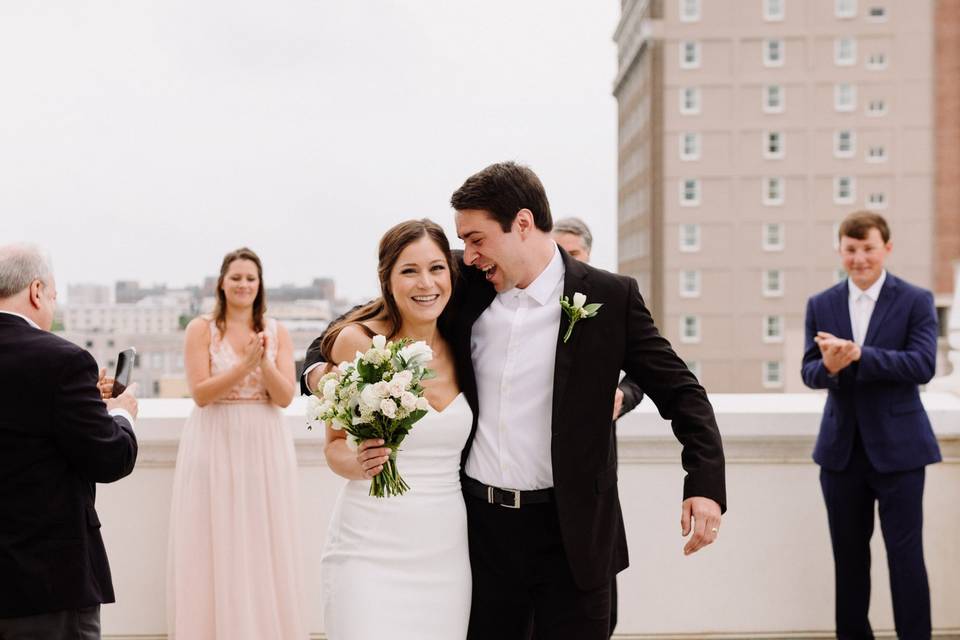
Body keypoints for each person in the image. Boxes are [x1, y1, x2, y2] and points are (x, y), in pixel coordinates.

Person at [449, 161, 726, 639]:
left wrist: (704, 483)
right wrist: (320, 365)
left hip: (572, 537)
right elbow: (373, 314)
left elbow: (682, 392)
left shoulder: (609, 297)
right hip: (481, 536)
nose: (469, 255)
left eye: (477, 239)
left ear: (521, 223)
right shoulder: (462, 286)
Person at [316, 219, 472, 639]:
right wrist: (359, 463)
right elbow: (333, 446)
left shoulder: (468, 343)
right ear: (387, 278)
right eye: (409, 270)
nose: (426, 283)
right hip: (368, 550)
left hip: (446, 555)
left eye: (437, 268)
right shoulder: (358, 342)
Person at [802, 211, 940, 640]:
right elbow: (809, 372)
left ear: (887, 249)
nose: (859, 258)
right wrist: (829, 367)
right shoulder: (821, 303)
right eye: (851, 249)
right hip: (841, 453)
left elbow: (923, 365)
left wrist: (860, 354)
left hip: (900, 451)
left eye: (868, 249)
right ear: (841, 250)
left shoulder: (916, 300)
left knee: (906, 557)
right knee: (848, 558)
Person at [0, 243, 138, 640]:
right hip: (47, 583)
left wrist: (82, 406)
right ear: (36, 290)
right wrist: (121, 413)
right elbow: (111, 458)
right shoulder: (63, 360)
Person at [167, 247, 305, 639]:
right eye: (236, 278)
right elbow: (200, 393)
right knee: (214, 539)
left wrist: (261, 362)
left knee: (262, 539)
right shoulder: (202, 328)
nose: (243, 285)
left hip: (264, 442)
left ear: (259, 285)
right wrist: (242, 366)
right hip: (215, 438)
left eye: (250, 278)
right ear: (222, 283)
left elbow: (284, 397)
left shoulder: (276, 331)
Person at [553, 216, 644, 638]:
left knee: (600, 611)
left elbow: (647, 374)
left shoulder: (612, 299)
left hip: (593, 485)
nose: (566, 261)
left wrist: (622, 396)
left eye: (574, 254)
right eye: (559, 253)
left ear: (588, 255)